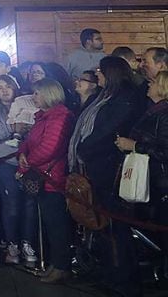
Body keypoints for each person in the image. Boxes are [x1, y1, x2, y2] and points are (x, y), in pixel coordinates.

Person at [70, 56, 146, 295]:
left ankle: (122, 279)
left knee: (114, 224)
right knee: (103, 224)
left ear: (110, 73)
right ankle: (111, 272)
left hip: (110, 168)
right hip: (98, 165)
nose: (97, 75)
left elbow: (107, 130)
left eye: (100, 71)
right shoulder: (107, 97)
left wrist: (84, 148)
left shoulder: (123, 98)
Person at [17, 79, 75, 285]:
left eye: (37, 94)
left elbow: (51, 147)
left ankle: (61, 265)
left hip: (52, 178)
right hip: (41, 176)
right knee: (50, 224)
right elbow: (29, 141)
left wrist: (27, 161)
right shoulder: (43, 118)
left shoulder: (60, 118)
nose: (34, 97)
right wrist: (23, 153)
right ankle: (56, 263)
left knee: (56, 224)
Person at [114, 71, 168, 261]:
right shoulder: (153, 111)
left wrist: (134, 145)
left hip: (160, 182)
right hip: (151, 178)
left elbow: (165, 151)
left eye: (153, 83)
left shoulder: (164, 115)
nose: (148, 85)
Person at [0, 74, 29, 265]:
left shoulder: (27, 106)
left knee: (29, 205)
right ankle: (12, 244)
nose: (4, 91)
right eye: (0, 87)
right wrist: (12, 127)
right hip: (5, 163)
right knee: (11, 205)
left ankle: (28, 243)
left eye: (7, 86)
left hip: (30, 163)